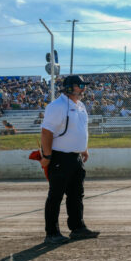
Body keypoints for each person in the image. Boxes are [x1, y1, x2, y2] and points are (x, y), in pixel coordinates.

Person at [40, 75, 100, 244]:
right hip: (60, 156)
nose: (83, 88)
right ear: (69, 87)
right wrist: (47, 156)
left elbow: (81, 129)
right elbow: (46, 132)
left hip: (75, 157)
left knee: (76, 194)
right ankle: (52, 233)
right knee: (56, 195)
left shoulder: (80, 106)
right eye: (80, 85)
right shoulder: (57, 106)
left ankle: (78, 228)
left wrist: (84, 149)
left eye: (83, 85)